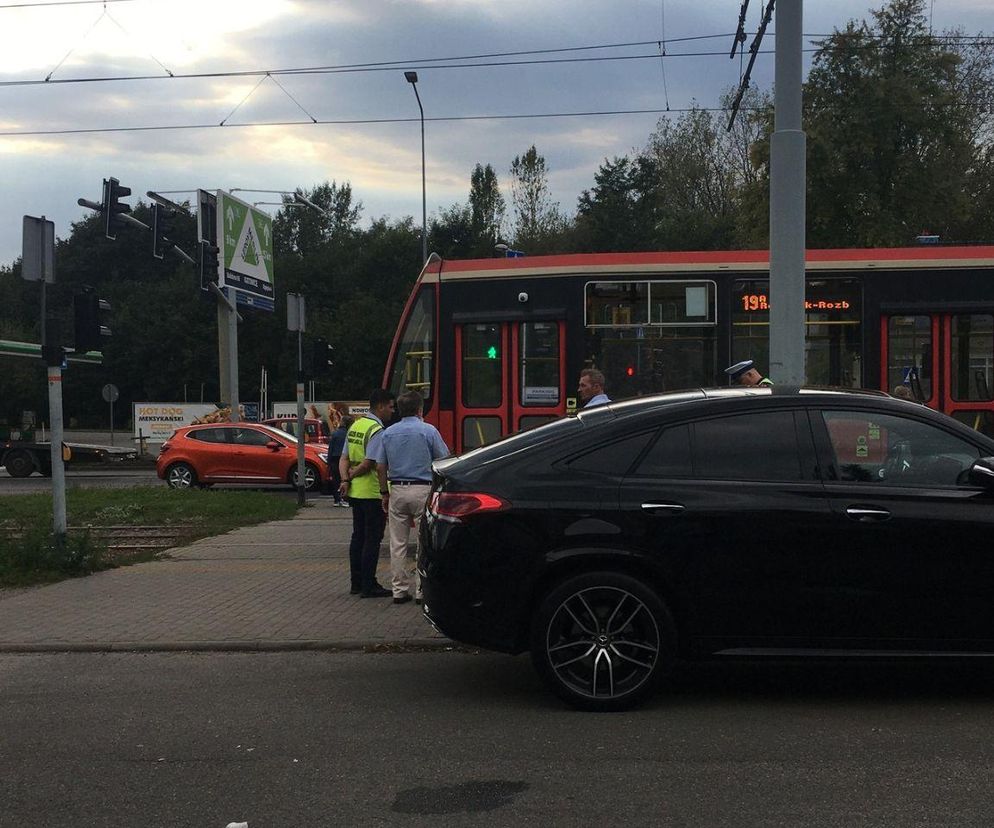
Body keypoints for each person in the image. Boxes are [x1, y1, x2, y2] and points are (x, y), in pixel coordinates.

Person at [368, 391, 449, 605]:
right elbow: (443, 459)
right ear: (420, 409)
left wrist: (384, 492)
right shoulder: (428, 431)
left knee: (398, 543)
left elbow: (380, 466)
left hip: (397, 490)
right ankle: (421, 590)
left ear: (400, 410)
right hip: (423, 490)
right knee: (424, 542)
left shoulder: (388, 433)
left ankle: (399, 591)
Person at [338, 389, 396, 598]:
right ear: (380, 406)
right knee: (372, 540)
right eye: (390, 406)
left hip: (355, 493)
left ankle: (356, 583)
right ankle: (369, 585)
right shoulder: (376, 429)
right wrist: (354, 475)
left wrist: (345, 479)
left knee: (358, 537)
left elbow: (343, 457)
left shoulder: (356, 425)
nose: (392, 411)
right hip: (372, 492)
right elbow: (371, 462)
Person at [327, 414, 353, 506]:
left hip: (335, 459)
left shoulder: (335, 434)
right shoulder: (350, 434)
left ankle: (337, 499)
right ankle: (345, 498)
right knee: (346, 479)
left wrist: (328, 462)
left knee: (336, 480)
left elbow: (330, 449)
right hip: (346, 459)